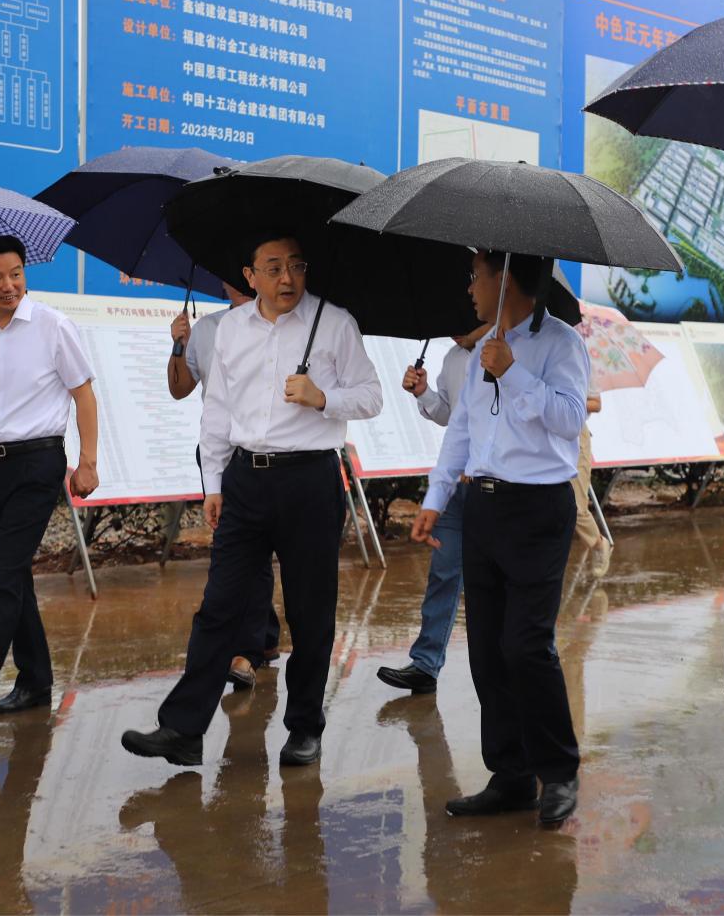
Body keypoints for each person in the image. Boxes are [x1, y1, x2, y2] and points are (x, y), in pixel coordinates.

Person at [122, 232, 382, 767]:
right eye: (274, 267)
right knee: (220, 605)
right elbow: (217, 408)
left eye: (296, 266)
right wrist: (214, 484)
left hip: (310, 481)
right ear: (249, 275)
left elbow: (372, 395)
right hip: (245, 481)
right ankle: (183, 729)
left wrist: (324, 398)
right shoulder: (231, 330)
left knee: (310, 612)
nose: (287, 278)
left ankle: (304, 728)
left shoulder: (333, 323)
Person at [411, 250, 590, 826]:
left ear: (505, 278)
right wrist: (435, 500)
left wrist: (512, 372)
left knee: (526, 645)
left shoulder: (561, 343)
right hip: (482, 506)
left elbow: (570, 419)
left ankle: (559, 772)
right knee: (487, 650)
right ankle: (511, 776)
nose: (470, 289)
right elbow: (461, 431)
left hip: (538, 507)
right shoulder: (479, 349)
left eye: (476, 277)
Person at [0, 234, 99, 725]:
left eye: (16, 274)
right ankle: (35, 681)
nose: (9, 285)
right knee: (14, 575)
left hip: (38, 462)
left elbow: (84, 395)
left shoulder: (53, 326)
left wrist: (88, 461)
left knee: (1, 579)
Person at [167, 281, 281, 690]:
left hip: (263, 452)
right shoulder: (207, 329)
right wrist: (178, 344)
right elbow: (179, 389)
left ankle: (248, 650)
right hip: (218, 453)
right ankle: (264, 637)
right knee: (237, 549)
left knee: (252, 550)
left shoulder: (280, 323)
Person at [377, 321, 489, 695]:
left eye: (463, 319)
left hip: (498, 487)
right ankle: (426, 664)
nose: (454, 329)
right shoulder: (453, 358)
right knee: (443, 572)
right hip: (457, 482)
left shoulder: (507, 354)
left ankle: (508, 670)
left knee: (498, 581)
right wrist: (424, 392)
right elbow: (449, 416)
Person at [572, 386, 612, 576]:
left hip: (575, 437)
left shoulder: (583, 369)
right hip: (544, 439)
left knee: (575, 506)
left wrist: (562, 404)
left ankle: (598, 543)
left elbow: (596, 403)